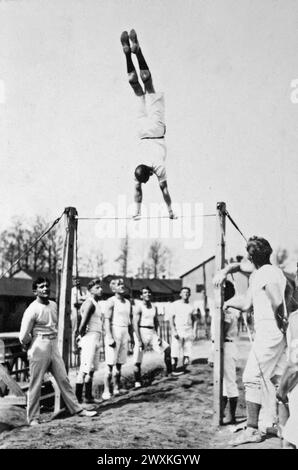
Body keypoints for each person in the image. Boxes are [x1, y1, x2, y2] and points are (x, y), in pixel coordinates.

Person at [220, 237, 288, 445]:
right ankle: (283, 428)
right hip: (276, 331)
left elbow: (276, 300)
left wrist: (280, 323)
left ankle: (252, 429)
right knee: (277, 378)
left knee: (251, 377)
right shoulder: (271, 272)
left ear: (251, 256)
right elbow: (248, 303)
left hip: (271, 330)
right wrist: (228, 302)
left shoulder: (264, 274)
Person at [19, 277, 96, 425]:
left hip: (53, 344)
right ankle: (33, 418)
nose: (45, 288)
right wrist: (30, 345)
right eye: (41, 286)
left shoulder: (54, 305)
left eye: (47, 286)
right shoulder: (32, 309)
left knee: (63, 378)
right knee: (36, 382)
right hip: (39, 344)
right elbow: (23, 336)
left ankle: (77, 409)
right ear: (35, 291)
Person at [120, 29, 176, 220]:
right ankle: (131, 53)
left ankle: (134, 52)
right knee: (138, 89)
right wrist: (135, 211)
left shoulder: (159, 167)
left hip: (156, 130)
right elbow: (137, 191)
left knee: (148, 86)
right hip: (142, 130)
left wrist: (171, 211)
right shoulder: (138, 168)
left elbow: (165, 192)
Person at [133, 286, 173, 388]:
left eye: (149, 292)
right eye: (145, 293)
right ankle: (137, 382)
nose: (148, 294)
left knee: (167, 348)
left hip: (152, 332)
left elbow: (156, 321)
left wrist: (158, 335)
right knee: (137, 359)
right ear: (141, 296)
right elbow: (135, 324)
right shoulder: (139, 307)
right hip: (141, 331)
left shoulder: (154, 307)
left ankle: (169, 373)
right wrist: (139, 340)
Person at [103, 278, 133, 400]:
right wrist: (109, 337)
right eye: (119, 285)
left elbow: (129, 322)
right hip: (114, 331)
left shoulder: (128, 302)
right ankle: (106, 390)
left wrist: (130, 336)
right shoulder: (111, 301)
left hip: (124, 331)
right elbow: (106, 320)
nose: (122, 286)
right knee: (110, 364)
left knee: (120, 364)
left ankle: (116, 388)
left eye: (122, 284)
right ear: (113, 288)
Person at [75, 279, 104, 404]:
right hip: (89, 338)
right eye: (97, 287)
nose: (100, 289)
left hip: (96, 337)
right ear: (90, 290)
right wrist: (80, 338)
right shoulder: (89, 303)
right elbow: (82, 324)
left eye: (100, 287)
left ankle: (88, 397)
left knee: (91, 369)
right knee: (84, 369)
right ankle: (77, 400)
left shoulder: (97, 303)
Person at [221, 280, 240, 425]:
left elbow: (224, 330)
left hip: (226, 346)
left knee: (230, 382)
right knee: (223, 382)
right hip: (224, 346)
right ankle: (221, 411)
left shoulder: (228, 308)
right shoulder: (225, 307)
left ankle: (231, 415)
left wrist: (212, 353)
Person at [170, 287, 196, 372]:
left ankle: (185, 370)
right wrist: (173, 330)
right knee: (175, 350)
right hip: (178, 329)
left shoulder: (192, 306)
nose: (186, 294)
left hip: (188, 330)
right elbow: (171, 318)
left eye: (187, 292)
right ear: (180, 294)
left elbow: (195, 319)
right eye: (184, 292)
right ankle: (173, 370)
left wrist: (194, 331)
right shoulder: (175, 304)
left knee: (187, 350)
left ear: (190, 294)